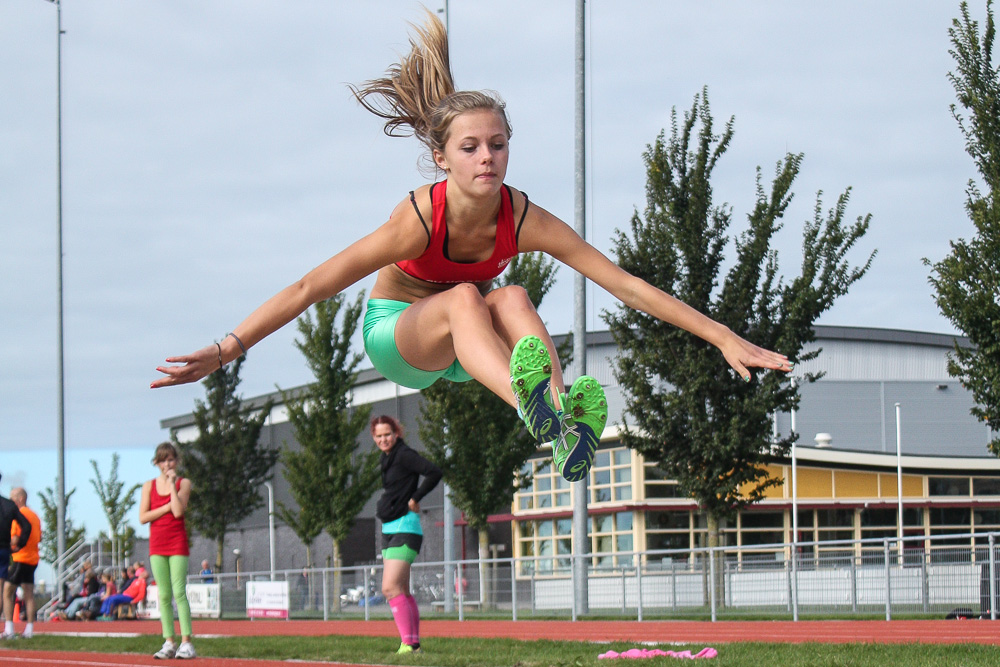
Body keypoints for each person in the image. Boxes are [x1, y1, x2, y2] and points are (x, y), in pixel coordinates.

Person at [150, 11, 791, 483]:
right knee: (466, 293)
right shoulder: (416, 220)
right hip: (400, 335)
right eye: (471, 147)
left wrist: (722, 336)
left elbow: (621, 282)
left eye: (499, 144)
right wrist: (227, 348)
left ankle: (562, 418)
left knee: (508, 293)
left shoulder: (522, 215)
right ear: (441, 159)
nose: (488, 157)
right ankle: (539, 410)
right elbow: (311, 287)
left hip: (472, 348)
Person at [371, 415, 441, 654]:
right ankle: (413, 644)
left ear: (396, 433)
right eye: (379, 436)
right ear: (374, 437)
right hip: (389, 529)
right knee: (402, 590)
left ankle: (408, 644)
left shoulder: (404, 454)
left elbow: (433, 472)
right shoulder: (387, 458)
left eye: (387, 434)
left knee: (389, 588)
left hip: (405, 527)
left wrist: (415, 498)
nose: (383, 439)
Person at [139, 442, 196, 660]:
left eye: (170, 459)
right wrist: (164, 509)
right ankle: (168, 641)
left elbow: (179, 511)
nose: (166, 464)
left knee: (179, 592)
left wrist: (172, 485)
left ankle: (186, 642)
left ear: (176, 461)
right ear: (156, 462)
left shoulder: (184, 483)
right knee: (163, 594)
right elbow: (143, 517)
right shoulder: (148, 486)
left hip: (177, 543)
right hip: (157, 545)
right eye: (162, 460)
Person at [4, 488, 41, 638]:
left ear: (20, 499)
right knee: (29, 595)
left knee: (7, 593)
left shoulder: (18, 516)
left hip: (20, 558)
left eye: (12, 498)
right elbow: (40, 538)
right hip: (33, 559)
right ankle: (30, 630)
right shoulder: (35, 516)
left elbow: (14, 538)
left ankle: (9, 629)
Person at [0, 475, 31, 640]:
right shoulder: (9, 505)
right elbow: (27, 526)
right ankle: (6, 627)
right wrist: (21, 544)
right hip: (3, 549)